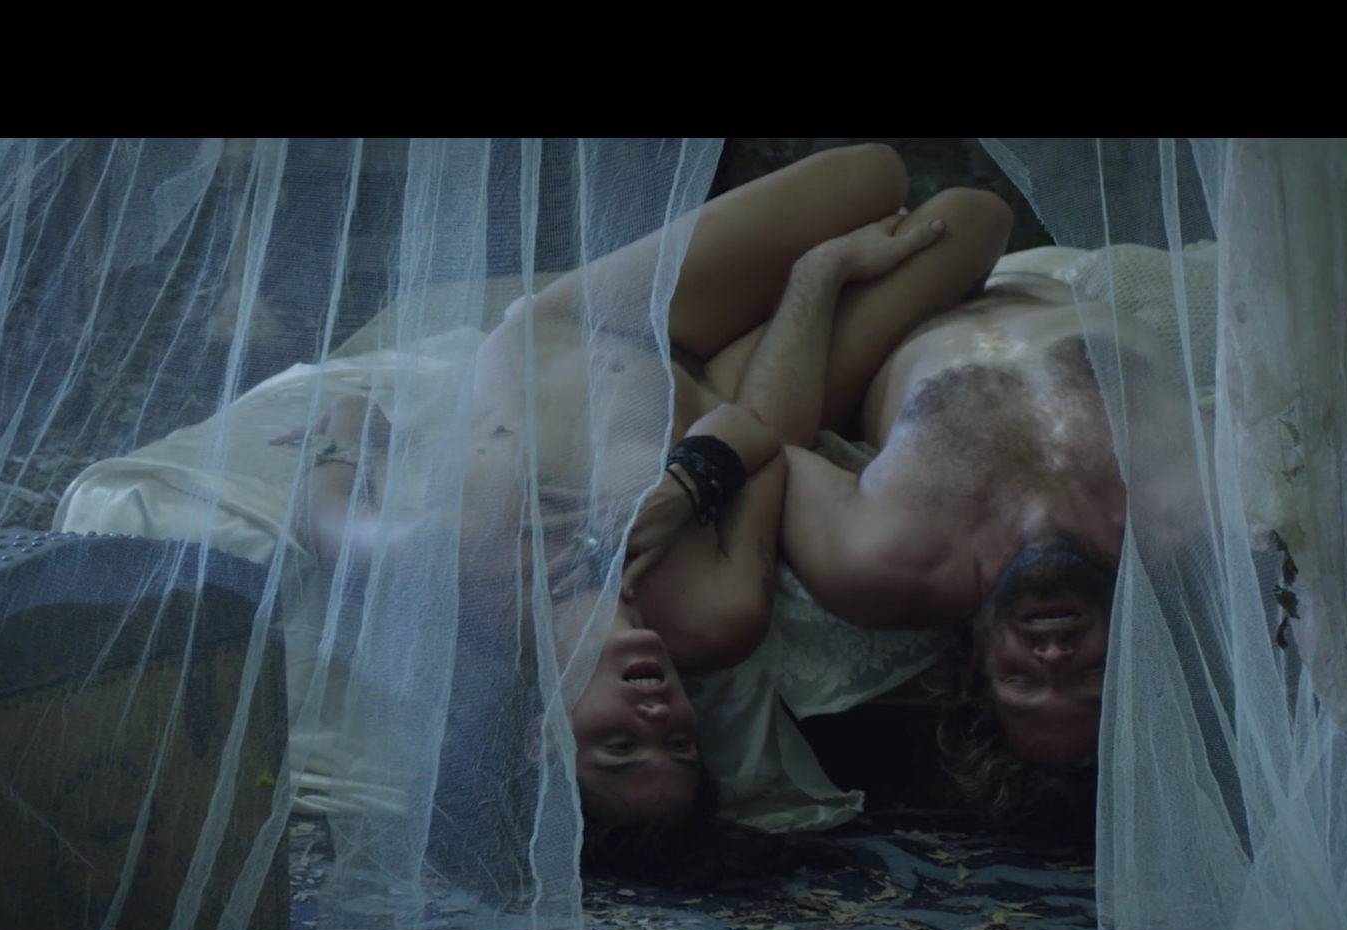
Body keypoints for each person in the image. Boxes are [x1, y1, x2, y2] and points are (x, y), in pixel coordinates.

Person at [285, 145, 1014, 859]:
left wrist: (351, 432)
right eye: (681, 744)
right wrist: (688, 485)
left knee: (871, 174)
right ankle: (816, 272)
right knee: (973, 221)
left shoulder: (446, 574)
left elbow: (330, 501)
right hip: (722, 386)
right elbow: (760, 438)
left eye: (620, 745)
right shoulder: (717, 615)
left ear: (542, 738)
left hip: (587, 321)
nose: (657, 716)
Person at [777, 261, 1201, 840]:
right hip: (1051, 272)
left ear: (976, 670)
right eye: (1091, 675)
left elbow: (771, 446)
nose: (1053, 656)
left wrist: (820, 278)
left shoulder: (885, 563)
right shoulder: (1178, 515)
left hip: (895, 298)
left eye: (1022, 683)